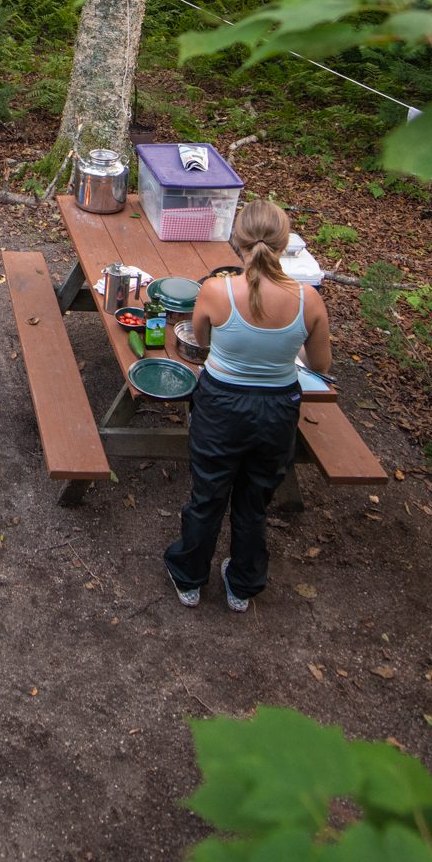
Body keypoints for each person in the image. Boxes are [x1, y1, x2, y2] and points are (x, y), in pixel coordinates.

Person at [165, 200, 332, 613]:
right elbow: (321, 365)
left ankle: (189, 579)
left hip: (221, 404)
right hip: (277, 409)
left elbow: (198, 342)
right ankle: (242, 586)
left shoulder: (216, 291)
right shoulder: (308, 300)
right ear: (285, 243)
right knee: (255, 500)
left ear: (236, 242)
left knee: (208, 494)